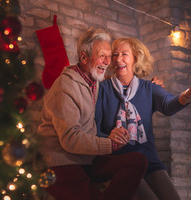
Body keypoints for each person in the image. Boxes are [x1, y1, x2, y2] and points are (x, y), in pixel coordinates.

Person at [95, 37, 191, 200]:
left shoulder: (149, 88)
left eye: (124, 54)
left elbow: (170, 105)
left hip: (149, 161)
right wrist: (108, 138)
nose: (118, 59)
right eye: (115, 55)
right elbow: (94, 130)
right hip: (120, 163)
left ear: (135, 58)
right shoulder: (102, 89)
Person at [37, 29, 148, 200]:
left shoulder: (93, 83)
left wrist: (114, 136)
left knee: (137, 161)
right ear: (83, 57)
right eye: (102, 55)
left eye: (109, 56)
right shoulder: (66, 86)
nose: (107, 61)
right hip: (61, 164)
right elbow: (70, 139)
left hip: (87, 160)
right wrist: (109, 145)